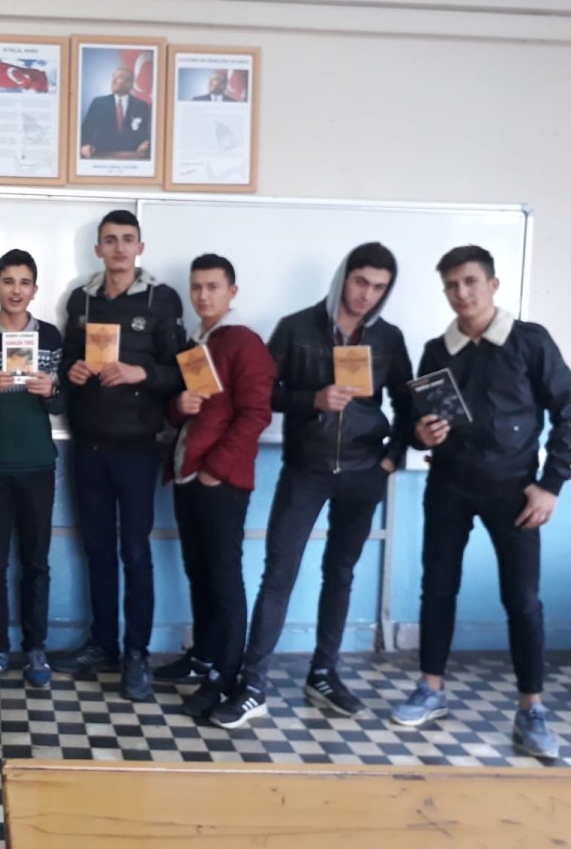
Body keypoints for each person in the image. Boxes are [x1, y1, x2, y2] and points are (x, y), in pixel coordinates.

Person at [211, 242, 412, 729]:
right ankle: (253, 685)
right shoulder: (296, 327)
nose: (367, 295)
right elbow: (264, 392)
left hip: (364, 472)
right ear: (344, 277)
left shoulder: (388, 339)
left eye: (379, 287)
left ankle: (324, 672)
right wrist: (313, 399)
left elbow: (408, 405)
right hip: (306, 469)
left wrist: (390, 461)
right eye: (361, 282)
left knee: (340, 573)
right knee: (279, 574)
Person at [392, 245, 571, 761]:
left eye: (470, 282)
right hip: (448, 486)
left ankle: (531, 708)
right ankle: (431, 689)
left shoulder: (530, 341)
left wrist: (551, 484)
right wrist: (422, 434)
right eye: (451, 285)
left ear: (492, 285)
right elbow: (417, 422)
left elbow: (568, 410)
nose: (461, 293)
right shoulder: (437, 351)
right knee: (437, 588)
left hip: (515, 491)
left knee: (523, 600)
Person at [50, 210, 185, 701]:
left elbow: (182, 370)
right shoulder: (81, 298)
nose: (120, 248)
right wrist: (73, 372)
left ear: (140, 247)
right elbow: (66, 362)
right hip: (87, 446)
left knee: (135, 553)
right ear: (98, 249)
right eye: (110, 240)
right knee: (98, 551)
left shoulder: (161, 299)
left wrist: (140, 373)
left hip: (138, 449)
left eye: (128, 239)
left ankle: (137, 654)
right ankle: (102, 644)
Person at [157, 254, 275, 719]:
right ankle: (204, 657)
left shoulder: (244, 341)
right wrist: (177, 407)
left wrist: (216, 470)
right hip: (187, 473)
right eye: (196, 287)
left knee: (224, 578)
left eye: (212, 287)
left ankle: (224, 678)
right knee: (200, 571)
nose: (203, 296)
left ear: (232, 292)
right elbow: (189, 411)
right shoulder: (197, 342)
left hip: (220, 481)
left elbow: (256, 414)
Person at [0, 249, 67, 689]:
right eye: (8, 281)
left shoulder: (51, 337)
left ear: (35, 290)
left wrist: (50, 390)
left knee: (36, 563)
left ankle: (36, 648)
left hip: (37, 463)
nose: (16, 290)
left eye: (24, 282)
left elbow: (61, 405)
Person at [79, 67, 152, 160]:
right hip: (101, 155)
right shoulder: (98, 103)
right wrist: (85, 144)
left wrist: (146, 143)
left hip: (133, 156)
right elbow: (86, 128)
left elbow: (147, 132)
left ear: (129, 83)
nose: (113, 81)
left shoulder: (141, 105)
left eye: (118, 78)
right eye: (113, 77)